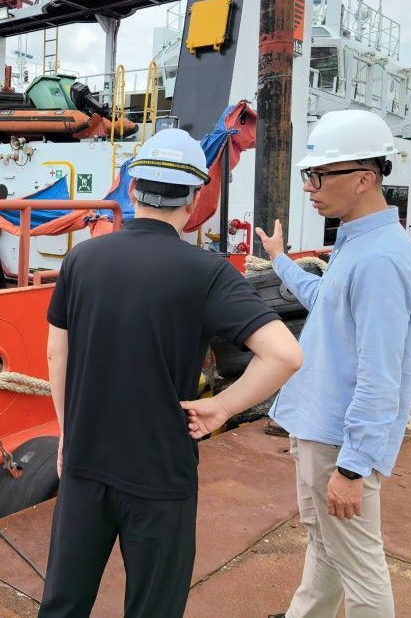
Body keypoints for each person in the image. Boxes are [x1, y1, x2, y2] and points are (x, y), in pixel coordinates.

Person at [40, 127, 302, 618]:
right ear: (195, 196)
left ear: (133, 188)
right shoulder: (208, 272)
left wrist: (65, 435)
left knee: (63, 603)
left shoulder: (81, 258)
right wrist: (222, 407)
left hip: (84, 461)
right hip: (161, 472)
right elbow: (285, 355)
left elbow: (58, 353)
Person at [253, 109, 411, 618]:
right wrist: (280, 259)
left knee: (360, 566)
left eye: (320, 175)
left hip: (338, 441)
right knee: (326, 548)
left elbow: (381, 375)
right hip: (322, 430)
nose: (311, 186)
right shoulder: (359, 243)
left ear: (365, 178)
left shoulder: (379, 260)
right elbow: (326, 297)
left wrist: (352, 467)